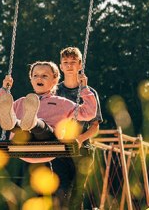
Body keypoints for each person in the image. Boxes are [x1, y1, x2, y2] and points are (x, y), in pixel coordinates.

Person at [0, 61, 98, 163]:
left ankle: (32, 122)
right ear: (31, 79)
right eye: (35, 75)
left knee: (41, 128)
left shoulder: (62, 103)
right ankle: (14, 123)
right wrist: (4, 90)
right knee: (21, 129)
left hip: (49, 142)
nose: (39, 78)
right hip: (22, 144)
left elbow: (89, 113)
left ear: (55, 80)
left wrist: (84, 88)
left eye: (44, 76)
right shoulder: (22, 102)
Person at [52, 47, 103, 210]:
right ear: (60, 66)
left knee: (77, 193)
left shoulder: (89, 93)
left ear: (80, 65)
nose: (69, 66)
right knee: (61, 191)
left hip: (82, 150)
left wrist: (80, 139)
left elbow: (94, 127)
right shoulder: (55, 92)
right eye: (65, 63)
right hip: (60, 150)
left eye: (73, 62)